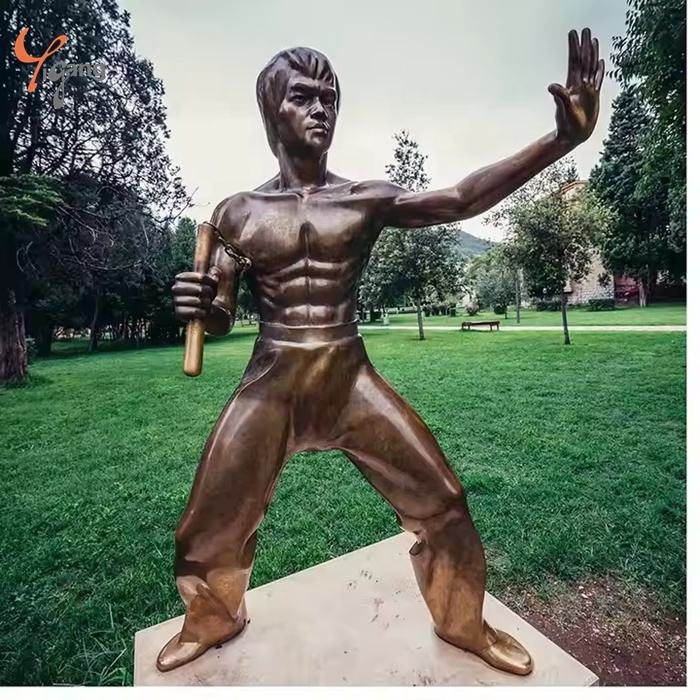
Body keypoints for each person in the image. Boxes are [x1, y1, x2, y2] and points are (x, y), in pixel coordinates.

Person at [161, 29, 604, 674]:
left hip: (348, 380)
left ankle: (463, 623)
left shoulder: (363, 199)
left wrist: (560, 141)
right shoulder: (238, 213)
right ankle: (214, 617)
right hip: (273, 382)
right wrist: (199, 302)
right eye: (303, 97)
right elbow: (222, 316)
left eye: (330, 98)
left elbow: (461, 198)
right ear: (271, 112)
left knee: (443, 502)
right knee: (206, 525)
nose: (321, 109)